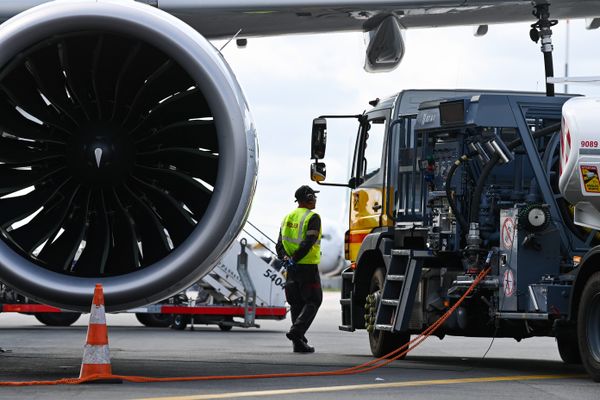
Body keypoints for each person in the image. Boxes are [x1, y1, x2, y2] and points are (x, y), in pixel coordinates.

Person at [276, 185, 323, 353]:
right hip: (307, 267)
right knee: (314, 300)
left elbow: (279, 244)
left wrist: (286, 259)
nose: (316, 200)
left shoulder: (287, 218)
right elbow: (309, 242)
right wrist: (295, 259)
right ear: (309, 198)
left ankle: (299, 344)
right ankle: (296, 333)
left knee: (296, 304)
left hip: (291, 269)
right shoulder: (313, 217)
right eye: (314, 197)